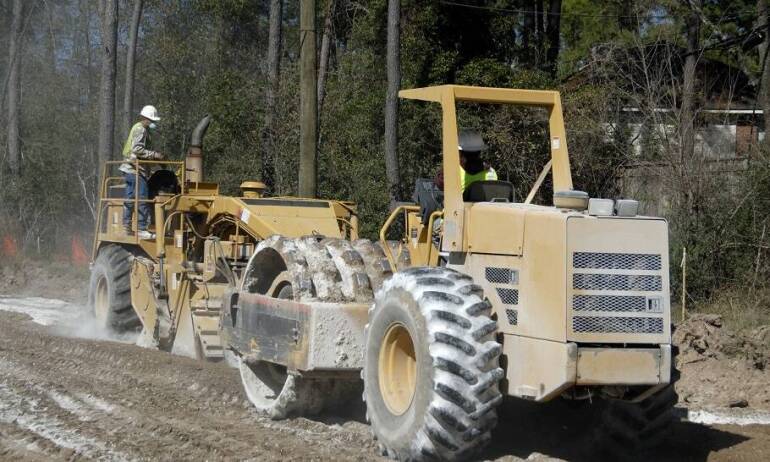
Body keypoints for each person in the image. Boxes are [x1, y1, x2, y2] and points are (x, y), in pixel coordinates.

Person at [120, 105, 163, 239]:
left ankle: (126, 225)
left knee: (130, 198)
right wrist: (154, 155)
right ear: (146, 118)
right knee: (142, 197)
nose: (153, 123)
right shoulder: (141, 129)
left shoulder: (140, 128)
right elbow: (137, 149)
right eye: (152, 120)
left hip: (130, 168)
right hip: (134, 169)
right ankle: (141, 228)